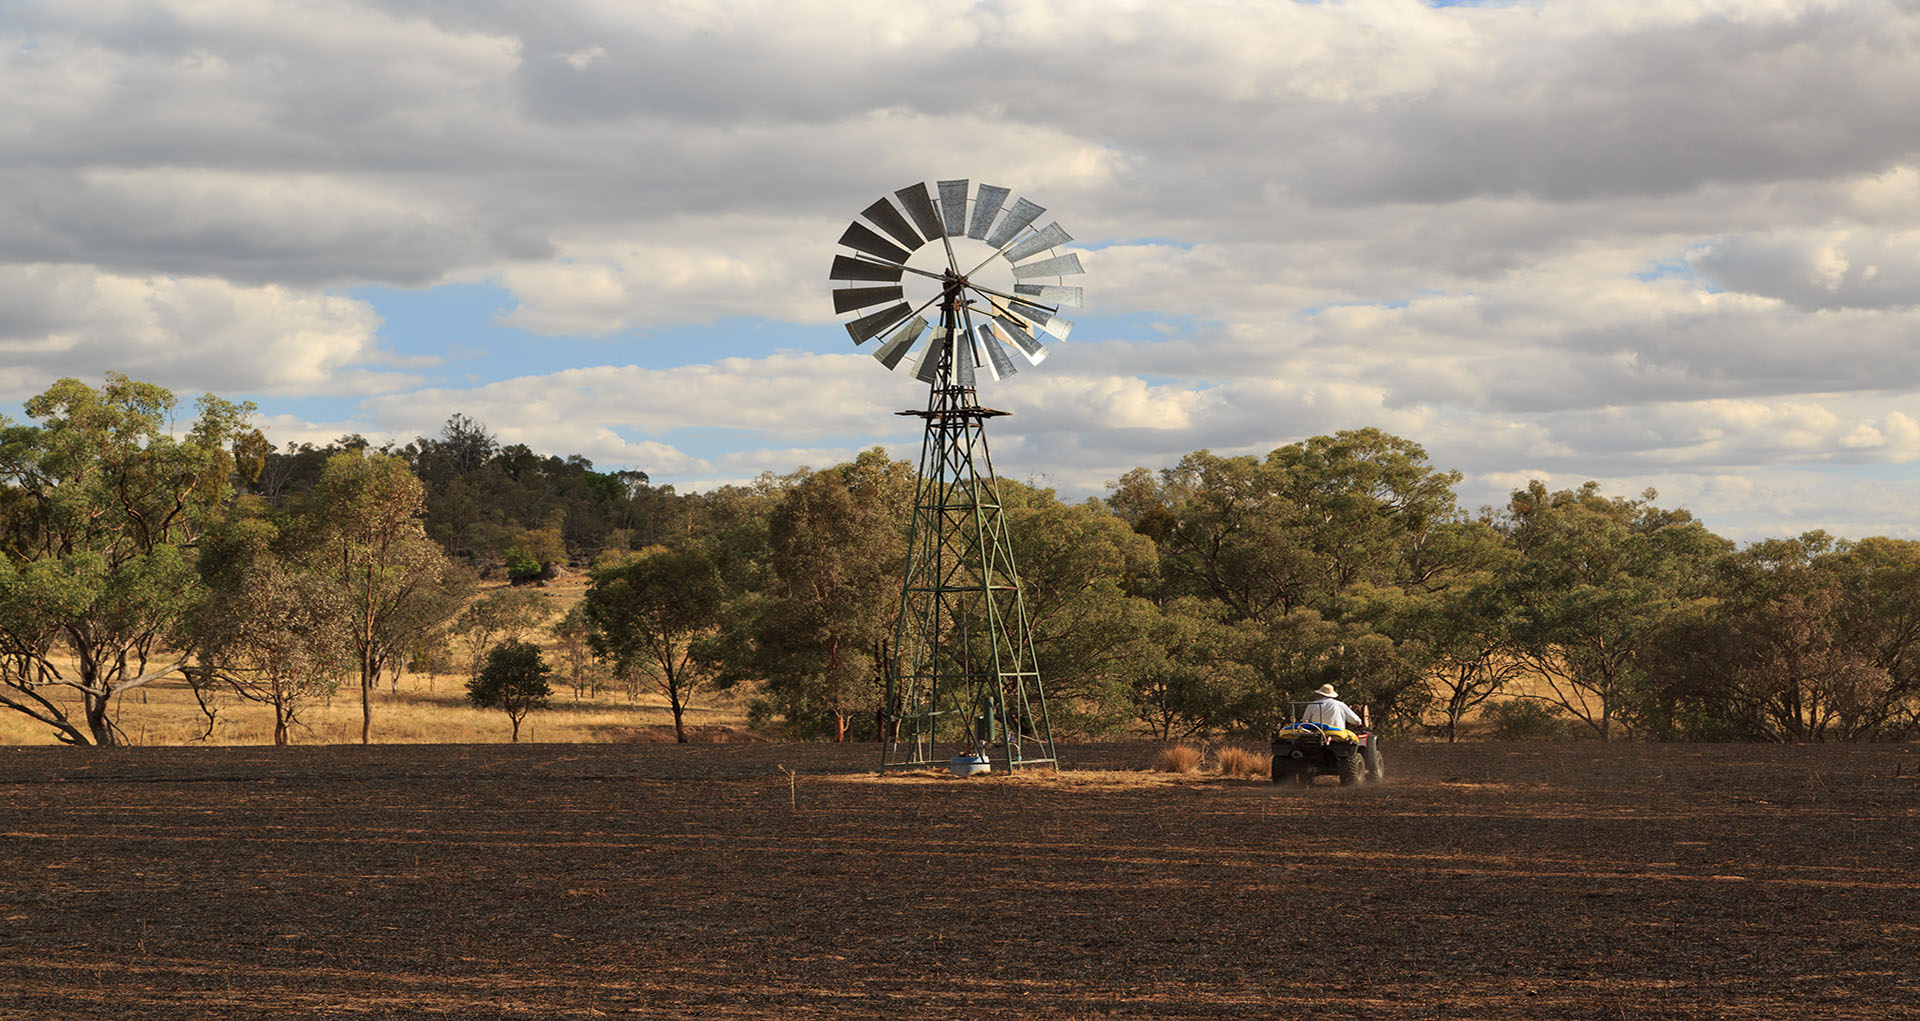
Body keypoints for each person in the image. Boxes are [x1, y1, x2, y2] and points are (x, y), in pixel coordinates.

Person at [1300, 683, 1364, 731]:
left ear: (1320, 694)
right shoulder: (1340, 705)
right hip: (1337, 734)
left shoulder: (1312, 704)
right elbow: (1356, 721)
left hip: (1317, 734)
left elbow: (1305, 721)